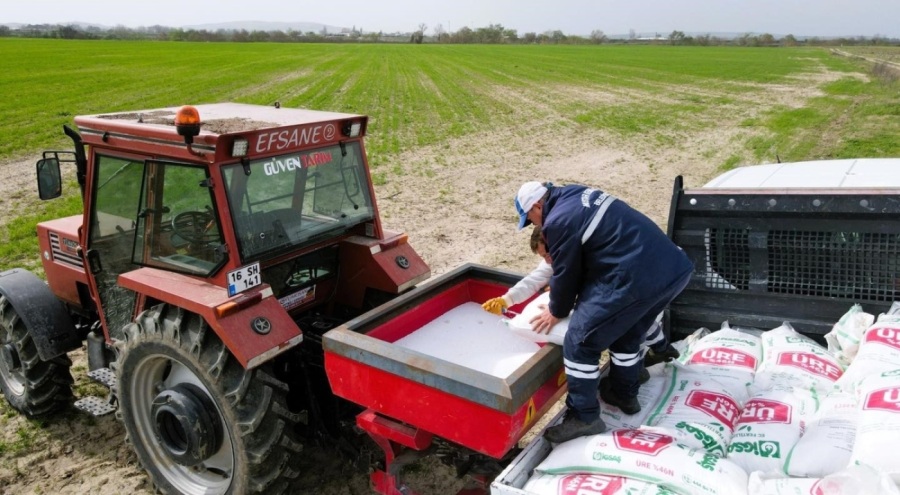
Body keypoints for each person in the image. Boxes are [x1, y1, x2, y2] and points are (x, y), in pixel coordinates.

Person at [514, 181, 693, 444]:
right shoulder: (576, 193)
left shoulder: (558, 221)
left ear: (537, 205)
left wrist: (557, 311)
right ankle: (625, 392)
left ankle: (584, 416)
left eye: (529, 217)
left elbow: (566, 273)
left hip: (634, 277)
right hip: (673, 269)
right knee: (627, 330)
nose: (533, 223)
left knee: (580, 341)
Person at [482, 225, 679, 385]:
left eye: (547, 255)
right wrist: (507, 299)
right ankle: (662, 349)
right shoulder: (561, 251)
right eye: (543, 257)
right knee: (641, 320)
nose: (547, 261)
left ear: (557, 244)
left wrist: (561, 307)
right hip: (660, 274)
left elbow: (600, 292)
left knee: (625, 328)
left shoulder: (590, 252)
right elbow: (537, 278)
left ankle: (634, 375)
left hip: (647, 281)